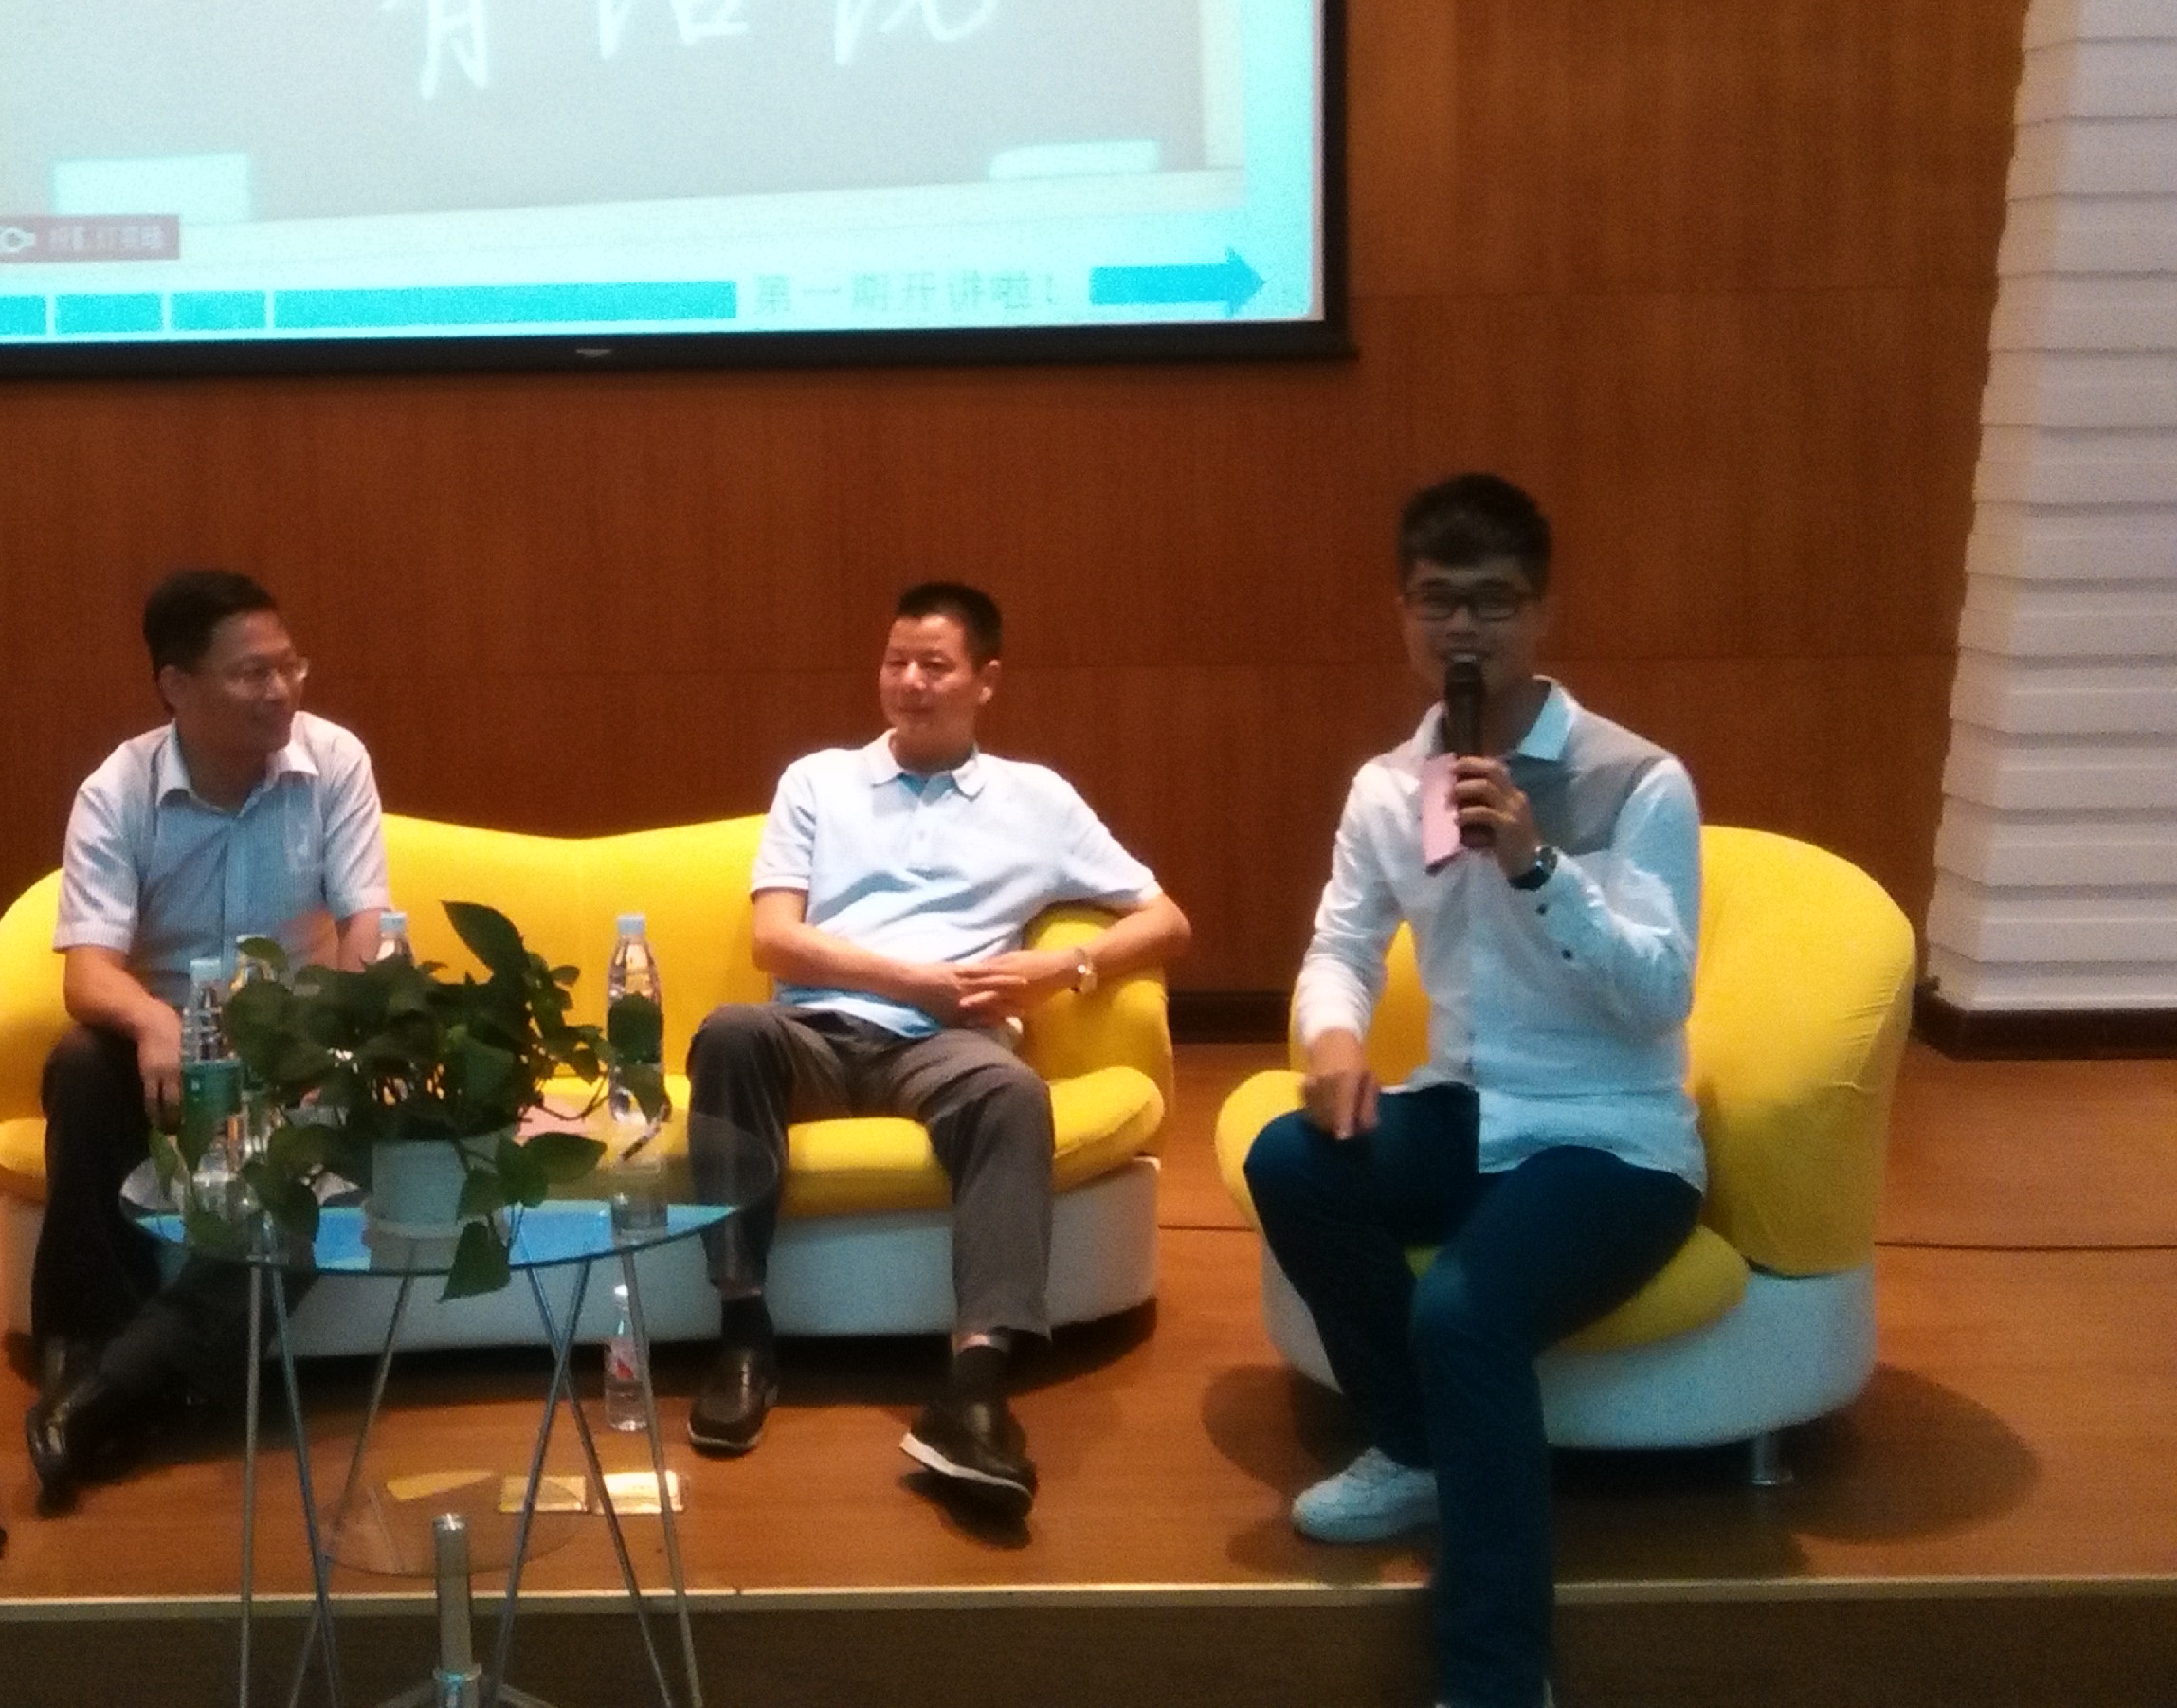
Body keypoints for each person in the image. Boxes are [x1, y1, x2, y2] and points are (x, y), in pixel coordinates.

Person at [1243, 475, 1705, 1708]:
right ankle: (1417, 1447)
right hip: (1462, 1107)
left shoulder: (1637, 780)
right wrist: (1332, 1039)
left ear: (1541, 613)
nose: (1463, 627)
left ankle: (1498, 1678)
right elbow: (1341, 948)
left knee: (1463, 1313)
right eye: (1437, 600)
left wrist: (1538, 864)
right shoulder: (1388, 787)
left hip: (1612, 1139)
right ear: (1403, 613)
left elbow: (1660, 994)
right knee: (1290, 1160)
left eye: (1492, 602)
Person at [682, 581, 1190, 1516]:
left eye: (934, 666)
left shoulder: (1039, 801)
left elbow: (1167, 920)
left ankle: (975, 1387)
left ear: (985, 680)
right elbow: (775, 942)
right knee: (730, 1034)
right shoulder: (818, 782)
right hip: (816, 1031)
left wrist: (1063, 967)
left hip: (949, 1043)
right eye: (895, 662)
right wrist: (912, 979)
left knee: (1013, 1094)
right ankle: (744, 1331)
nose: (910, 683)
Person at [24, 569, 391, 1511]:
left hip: (298, 1053)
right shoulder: (119, 790)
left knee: (328, 1153)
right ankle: (85, 1345)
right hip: (173, 1063)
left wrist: (336, 1041)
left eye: (289, 666)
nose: (280, 691)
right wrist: (154, 1021)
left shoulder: (334, 761)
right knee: (81, 1067)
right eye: (251, 673)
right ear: (177, 687)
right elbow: (87, 973)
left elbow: (365, 927)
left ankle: (107, 1390)